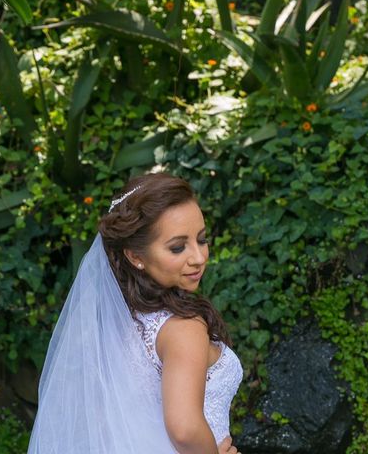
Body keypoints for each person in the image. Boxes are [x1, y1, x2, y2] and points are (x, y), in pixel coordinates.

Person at [27, 172, 243, 453]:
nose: (199, 257)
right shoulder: (184, 328)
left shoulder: (116, 319)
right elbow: (185, 429)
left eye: (201, 239)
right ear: (135, 256)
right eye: (178, 247)